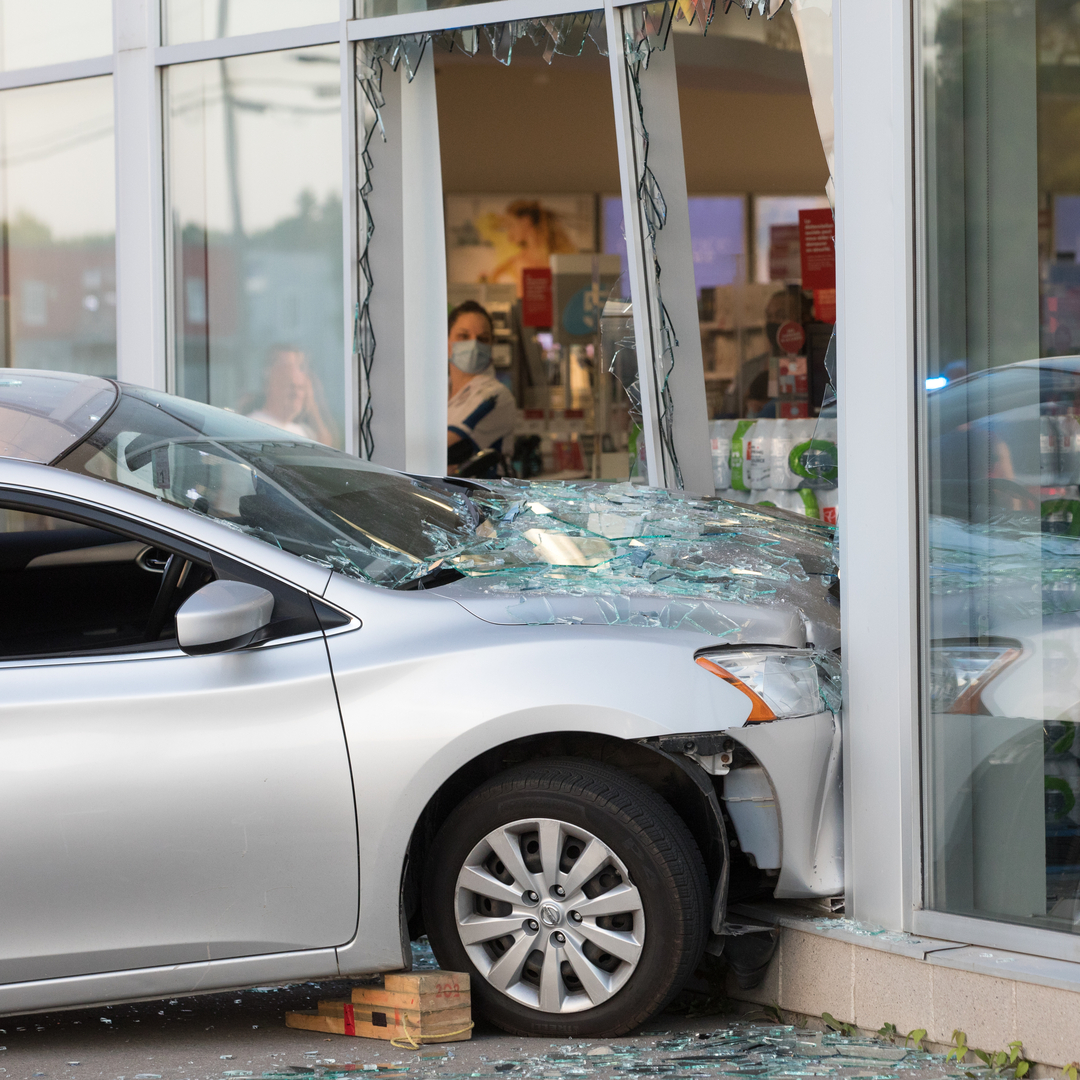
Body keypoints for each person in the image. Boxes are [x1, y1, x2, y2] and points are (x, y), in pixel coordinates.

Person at [447, 301, 516, 472]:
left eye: (483, 339)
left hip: (479, 497)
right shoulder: (435, 394)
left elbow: (442, 451)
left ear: (492, 344)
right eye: (463, 336)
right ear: (446, 341)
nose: (474, 345)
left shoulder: (495, 396)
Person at [246, 347, 333, 444]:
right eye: (291, 385)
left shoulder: (301, 431)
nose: (297, 393)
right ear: (270, 381)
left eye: (301, 387)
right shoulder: (252, 427)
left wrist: (312, 404)